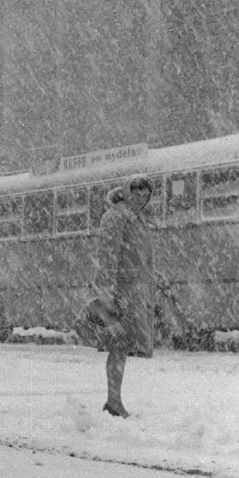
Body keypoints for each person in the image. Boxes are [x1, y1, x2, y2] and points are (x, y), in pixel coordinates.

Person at [93, 174, 156, 418]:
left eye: (147, 194)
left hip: (135, 292)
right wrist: (106, 293)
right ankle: (113, 401)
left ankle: (114, 400)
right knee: (119, 345)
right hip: (121, 293)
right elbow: (108, 256)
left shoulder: (138, 219)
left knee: (124, 345)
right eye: (138, 192)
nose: (143, 197)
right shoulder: (116, 217)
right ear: (128, 192)